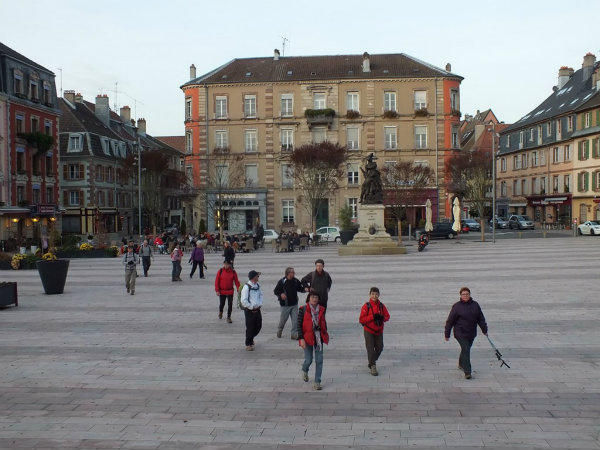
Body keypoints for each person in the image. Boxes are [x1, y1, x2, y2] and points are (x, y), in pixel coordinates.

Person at [444, 286, 488, 379]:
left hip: (471, 333)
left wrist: (485, 330)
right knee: (466, 350)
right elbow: (450, 321)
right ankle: (467, 372)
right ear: (460, 295)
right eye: (463, 294)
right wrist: (447, 334)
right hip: (460, 333)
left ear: (470, 294)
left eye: (467, 294)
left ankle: (461, 363)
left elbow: (481, 319)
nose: (465, 296)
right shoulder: (457, 306)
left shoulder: (475, 305)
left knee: (465, 349)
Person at [297, 290, 329, 391]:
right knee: (309, 360)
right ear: (309, 298)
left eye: (316, 297)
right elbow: (298, 325)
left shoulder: (322, 309)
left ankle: (317, 382)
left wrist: (324, 331)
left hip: (319, 338)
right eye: (312, 297)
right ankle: (305, 369)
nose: (314, 299)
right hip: (307, 338)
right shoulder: (303, 309)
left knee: (319, 360)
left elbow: (324, 322)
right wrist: (301, 338)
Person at [359, 287, 390, 376]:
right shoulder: (366, 306)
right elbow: (361, 319)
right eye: (372, 294)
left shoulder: (381, 306)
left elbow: (387, 316)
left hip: (379, 330)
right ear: (370, 295)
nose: (374, 296)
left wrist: (382, 318)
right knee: (370, 348)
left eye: (376, 294)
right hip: (369, 330)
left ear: (379, 295)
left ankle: (371, 361)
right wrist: (373, 317)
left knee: (380, 347)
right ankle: (373, 366)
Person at [273, 267, 305, 340]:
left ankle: (293, 334)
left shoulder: (295, 281)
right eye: (292, 272)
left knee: (295, 320)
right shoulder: (282, 281)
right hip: (285, 305)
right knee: (283, 320)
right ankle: (280, 330)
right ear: (288, 273)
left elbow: (300, 288)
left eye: (294, 272)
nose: (294, 273)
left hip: (294, 304)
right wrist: (281, 294)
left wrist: (305, 289)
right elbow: (276, 291)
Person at [240, 270, 264, 351]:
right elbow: (243, 300)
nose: (258, 277)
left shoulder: (258, 285)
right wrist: (251, 307)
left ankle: (251, 337)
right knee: (250, 327)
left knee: (258, 326)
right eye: (257, 276)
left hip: (258, 310)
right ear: (254, 277)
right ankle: (248, 344)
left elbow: (261, 295)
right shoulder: (246, 287)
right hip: (249, 311)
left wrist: (260, 303)